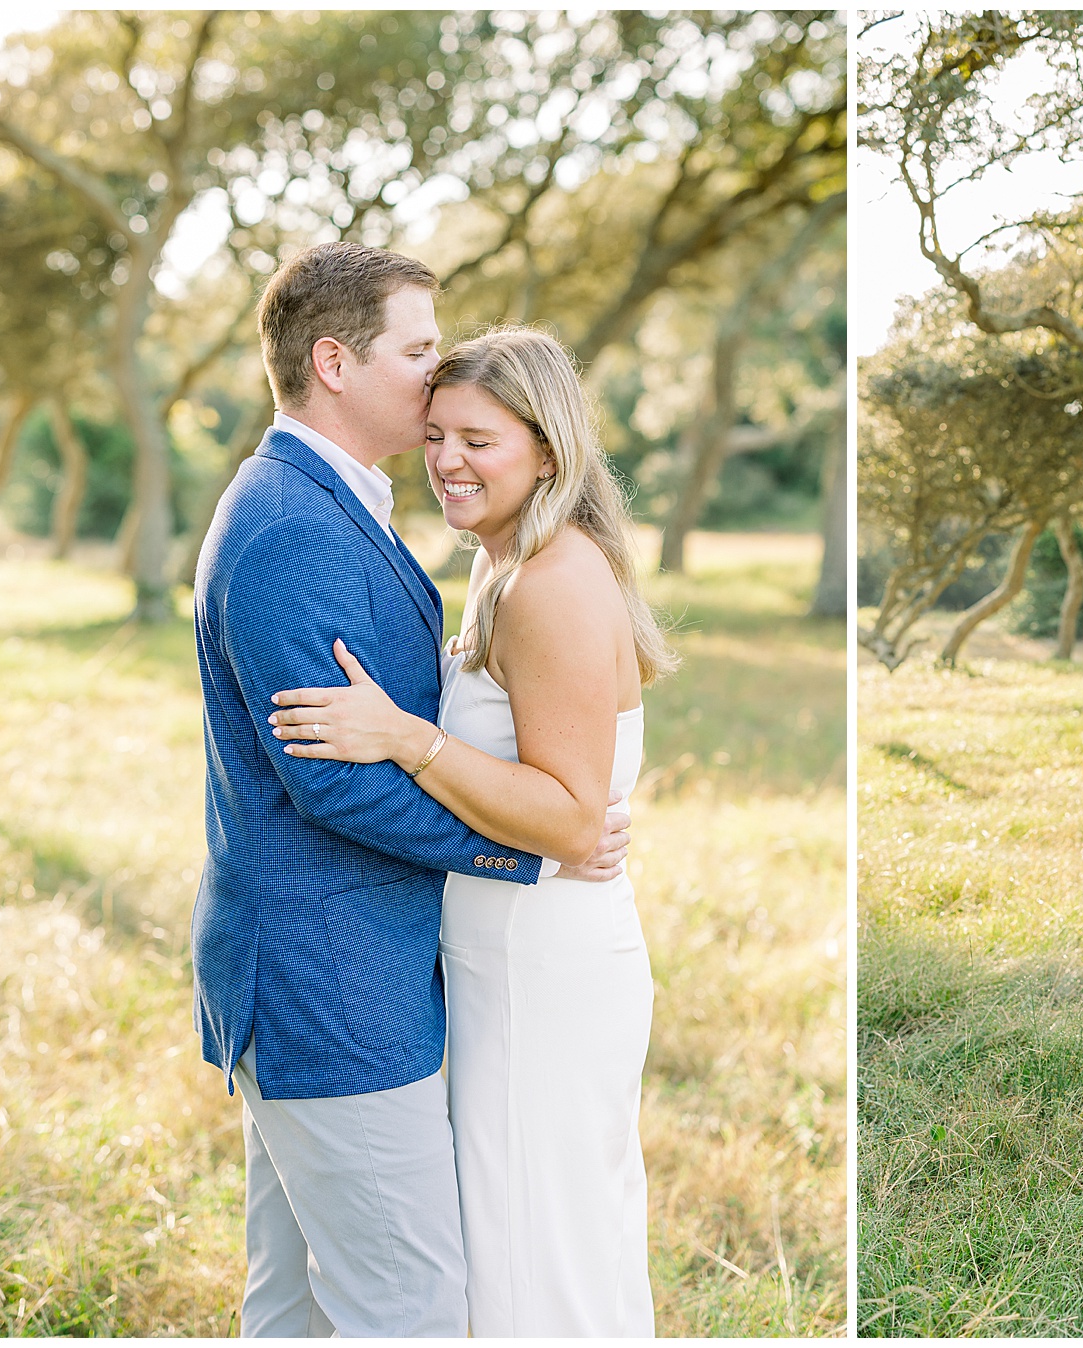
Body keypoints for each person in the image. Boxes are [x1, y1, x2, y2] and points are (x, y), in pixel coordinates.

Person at [190, 242, 628, 1338]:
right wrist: (530, 849)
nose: (436, 378)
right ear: (334, 363)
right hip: (331, 981)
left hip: (363, 970)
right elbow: (333, 785)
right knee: (410, 1307)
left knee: (297, 1300)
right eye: (419, 353)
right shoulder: (293, 525)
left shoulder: (348, 504)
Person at [268, 326, 678, 1335]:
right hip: (504, 958)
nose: (448, 460)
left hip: (543, 969)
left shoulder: (551, 583)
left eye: (479, 440)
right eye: (437, 433)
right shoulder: (507, 567)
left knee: (543, 1255)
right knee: (528, 1241)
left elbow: (575, 821)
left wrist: (408, 739)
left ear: (548, 449)